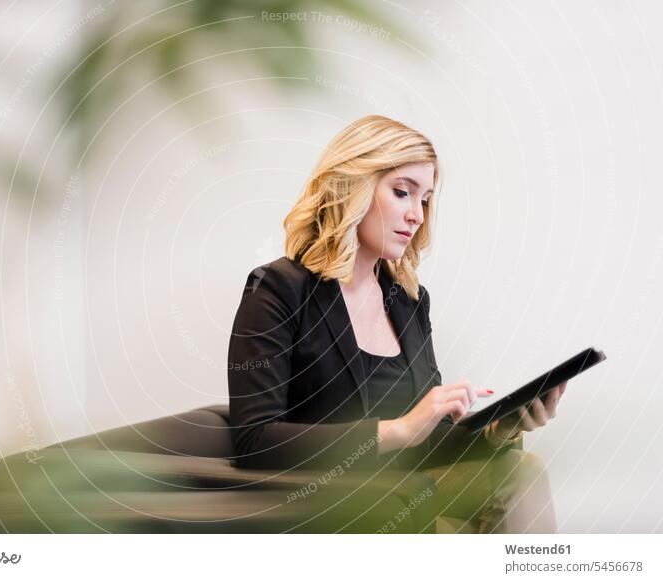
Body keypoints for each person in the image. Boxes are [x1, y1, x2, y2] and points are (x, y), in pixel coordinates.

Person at [227, 115, 566, 533]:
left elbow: (428, 439)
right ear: (354, 187)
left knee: (521, 470)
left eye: (424, 199)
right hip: (318, 503)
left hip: (403, 495)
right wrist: (396, 430)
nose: (417, 215)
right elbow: (254, 443)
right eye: (402, 192)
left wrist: (497, 430)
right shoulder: (278, 289)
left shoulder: (407, 301)